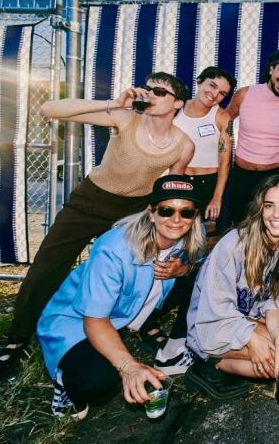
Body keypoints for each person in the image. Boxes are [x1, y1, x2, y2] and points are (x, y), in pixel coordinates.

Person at [0, 73, 195, 384]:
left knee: (143, 266)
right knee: (47, 267)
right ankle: (17, 338)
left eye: (159, 91)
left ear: (177, 103)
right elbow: (50, 109)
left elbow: (170, 193)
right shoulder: (126, 118)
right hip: (92, 200)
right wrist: (111, 103)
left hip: (134, 210)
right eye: (146, 88)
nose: (149, 93)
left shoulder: (182, 145)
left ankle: (140, 321)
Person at [36, 175, 206, 418]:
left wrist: (185, 268)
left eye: (186, 212)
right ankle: (65, 380)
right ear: (151, 212)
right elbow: (94, 320)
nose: (176, 220)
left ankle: (173, 352)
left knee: (202, 275)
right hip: (78, 321)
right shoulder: (114, 248)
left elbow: (201, 258)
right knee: (97, 383)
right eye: (167, 210)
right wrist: (128, 367)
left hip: (128, 311)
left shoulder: (193, 231)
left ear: (195, 215)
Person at [186, 174, 279, 402]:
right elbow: (215, 310)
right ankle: (207, 365)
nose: (276, 215)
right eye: (269, 206)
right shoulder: (234, 244)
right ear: (259, 209)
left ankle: (225, 362)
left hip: (252, 317)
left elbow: (275, 303)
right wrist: (250, 338)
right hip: (213, 323)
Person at [225, 49, 279, 226]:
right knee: (238, 228)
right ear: (271, 70)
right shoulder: (245, 94)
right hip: (240, 176)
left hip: (273, 178)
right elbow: (224, 121)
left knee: (267, 228)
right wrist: (225, 147)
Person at [173, 66, 236, 237]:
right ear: (199, 82)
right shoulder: (175, 110)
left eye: (222, 93)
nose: (215, 95)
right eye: (212, 86)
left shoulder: (223, 117)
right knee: (181, 233)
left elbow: (225, 162)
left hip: (211, 183)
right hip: (181, 180)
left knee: (212, 238)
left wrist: (217, 198)